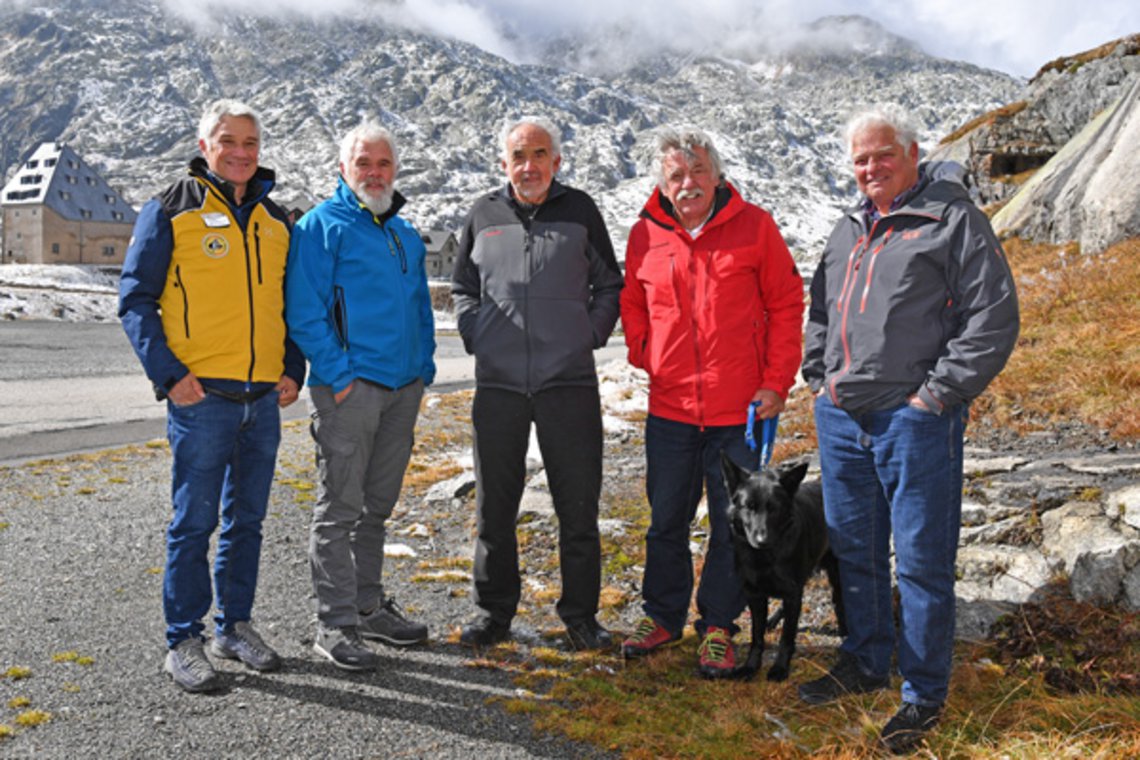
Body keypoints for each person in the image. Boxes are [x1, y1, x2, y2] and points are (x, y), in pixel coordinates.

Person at [799, 104, 1019, 753]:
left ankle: (922, 694)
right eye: (861, 159)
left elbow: (993, 315)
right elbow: (821, 310)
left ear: (913, 155)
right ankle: (865, 661)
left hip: (914, 420)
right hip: (842, 418)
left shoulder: (953, 219)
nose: (871, 168)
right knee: (854, 550)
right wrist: (819, 379)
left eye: (883, 156)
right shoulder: (847, 228)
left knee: (922, 562)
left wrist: (936, 396)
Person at [119, 99, 306, 693]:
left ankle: (234, 627)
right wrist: (169, 375)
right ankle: (183, 640)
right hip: (201, 399)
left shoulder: (276, 220)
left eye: (250, 142)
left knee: (247, 521)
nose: (241, 153)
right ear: (205, 146)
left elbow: (288, 304)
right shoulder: (170, 209)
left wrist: (292, 367)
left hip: (262, 399)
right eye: (228, 141)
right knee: (193, 522)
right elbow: (135, 299)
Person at [618, 127, 805, 678]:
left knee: (733, 527)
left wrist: (776, 382)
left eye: (698, 170)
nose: (688, 183)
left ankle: (719, 626)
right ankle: (661, 616)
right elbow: (632, 301)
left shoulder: (756, 227)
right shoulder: (645, 234)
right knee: (665, 521)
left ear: (717, 175)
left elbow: (786, 304)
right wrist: (645, 350)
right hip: (670, 409)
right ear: (663, 185)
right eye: (676, 175)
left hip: (739, 413)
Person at [451, 115, 623, 650]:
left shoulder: (581, 211)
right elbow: (463, 288)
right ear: (504, 163)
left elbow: (609, 285)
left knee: (578, 508)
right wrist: (477, 334)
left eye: (540, 154)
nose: (529, 166)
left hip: (568, 384)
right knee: (494, 509)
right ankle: (493, 613)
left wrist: (587, 335)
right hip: (499, 385)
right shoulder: (482, 214)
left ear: (556, 161)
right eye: (519, 156)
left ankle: (581, 617)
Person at [285, 121, 435, 671]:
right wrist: (338, 375)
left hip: (402, 389)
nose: (374, 173)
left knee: (377, 508)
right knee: (339, 509)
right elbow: (304, 310)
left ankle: (369, 607)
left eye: (383, 163)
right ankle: (335, 622)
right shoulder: (320, 227)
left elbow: (420, 305)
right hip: (349, 390)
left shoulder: (405, 233)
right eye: (363, 163)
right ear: (343, 169)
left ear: (395, 169)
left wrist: (423, 367)